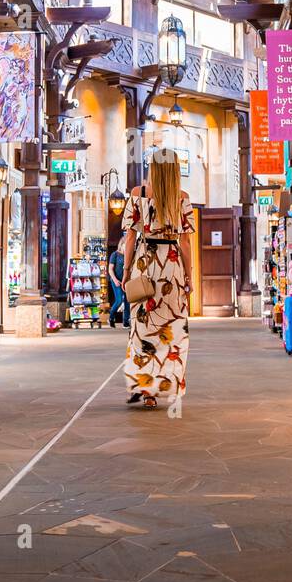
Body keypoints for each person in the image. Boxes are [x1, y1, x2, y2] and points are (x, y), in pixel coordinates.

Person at [120, 147, 195, 409]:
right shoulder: (182, 197)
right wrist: (189, 275)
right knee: (172, 328)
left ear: (152, 167)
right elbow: (185, 242)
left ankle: (145, 389)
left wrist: (127, 270)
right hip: (171, 268)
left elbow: (130, 237)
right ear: (175, 169)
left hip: (145, 264)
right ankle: (168, 383)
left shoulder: (137, 195)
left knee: (142, 329)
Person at [108, 237, 130, 328]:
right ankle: (111, 317)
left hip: (127, 281)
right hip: (116, 280)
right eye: (126, 245)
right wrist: (115, 280)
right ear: (122, 244)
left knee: (127, 301)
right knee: (119, 300)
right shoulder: (115, 254)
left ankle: (125, 322)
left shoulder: (129, 256)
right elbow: (110, 269)